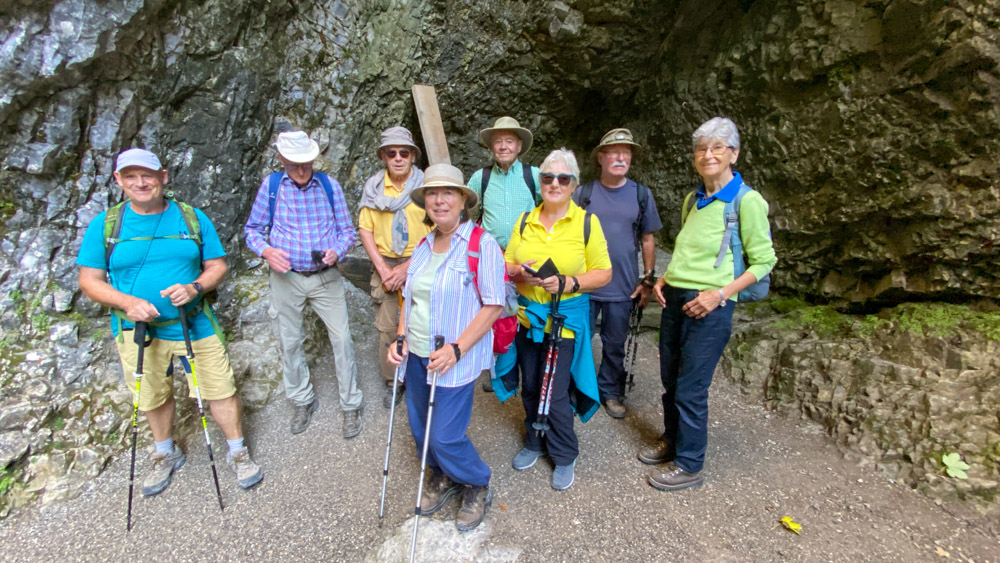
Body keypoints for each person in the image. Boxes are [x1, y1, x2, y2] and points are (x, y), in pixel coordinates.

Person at [77, 148, 262, 495]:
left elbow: (217, 266)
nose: (140, 182)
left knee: (220, 388)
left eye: (147, 175)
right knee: (151, 394)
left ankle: (238, 452)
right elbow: (89, 280)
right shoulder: (105, 225)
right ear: (118, 181)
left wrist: (195, 287)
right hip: (137, 329)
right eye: (130, 176)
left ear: (163, 177)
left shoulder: (191, 218)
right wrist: (128, 302)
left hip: (194, 321)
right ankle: (165, 452)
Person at [641, 117, 777, 491]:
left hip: (712, 304)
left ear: (734, 153)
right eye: (701, 149)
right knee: (670, 378)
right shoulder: (693, 199)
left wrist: (720, 294)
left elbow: (765, 262)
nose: (708, 155)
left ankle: (689, 463)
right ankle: (672, 441)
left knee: (691, 385)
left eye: (718, 147)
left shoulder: (746, 201)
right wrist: (667, 277)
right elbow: (690, 249)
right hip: (676, 297)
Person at [387, 163, 504, 531]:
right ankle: (441, 475)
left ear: (461, 200)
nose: (439, 200)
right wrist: (401, 336)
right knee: (421, 429)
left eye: (447, 193)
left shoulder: (480, 244)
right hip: (417, 354)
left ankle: (476, 481)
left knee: (445, 434)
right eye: (432, 194)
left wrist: (457, 348)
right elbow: (409, 297)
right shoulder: (423, 245)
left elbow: (494, 303)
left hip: (453, 359)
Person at [503, 148, 612, 490]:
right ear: (540, 182)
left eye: (563, 178)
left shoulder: (586, 223)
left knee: (557, 389)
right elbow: (505, 266)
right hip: (528, 317)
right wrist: (521, 272)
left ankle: (565, 453)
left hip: (564, 318)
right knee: (532, 382)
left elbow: (604, 273)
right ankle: (534, 440)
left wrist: (568, 282)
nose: (554, 184)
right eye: (548, 177)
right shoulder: (525, 221)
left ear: (573, 185)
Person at [243, 131, 363, 438]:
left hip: (326, 276)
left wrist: (338, 249)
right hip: (287, 278)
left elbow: (347, 231)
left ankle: (351, 405)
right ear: (281, 159)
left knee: (342, 339)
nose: (301, 169)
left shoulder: (328, 185)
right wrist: (267, 251)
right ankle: (301, 399)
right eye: (295, 163)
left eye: (306, 162)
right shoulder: (271, 187)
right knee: (290, 340)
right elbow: (253, 230)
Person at [574, 128, 663, 419]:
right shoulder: (582, 193)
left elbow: (647, 238)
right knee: (578, 341)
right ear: (600, 157)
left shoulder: (640, 194)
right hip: (585, 285)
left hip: (623, 285)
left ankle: (610, 390)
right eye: (614, 152)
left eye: (626, 152)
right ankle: (579, 390)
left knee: (615, 343)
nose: (620, 157)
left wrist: (647, 279)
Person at [357, 126, 433, 409]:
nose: (398, 158)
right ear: (383, 157)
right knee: (387, 327)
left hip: (421, 260)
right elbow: (365, 229)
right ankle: (394, 381)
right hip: (385, 264)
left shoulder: (428, 187)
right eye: (392, 153)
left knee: (424, 321)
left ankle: (426, 375)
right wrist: (384, 269)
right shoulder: (373, 188)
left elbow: (438, 230)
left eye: (404, 152)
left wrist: (407, 268)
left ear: (413, 156)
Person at [467, 116, 541, 392]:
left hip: (528, 259)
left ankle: (529, 370)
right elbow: (466, 213)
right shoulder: (481, 178)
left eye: (509, 141)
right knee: (498, 313)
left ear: (519, 145)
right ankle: (504, 374)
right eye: (498, 142)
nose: (504, 146)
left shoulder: (533, 176)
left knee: (528, 312)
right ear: (492, 147)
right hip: (494, 257)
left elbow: (550, 213)